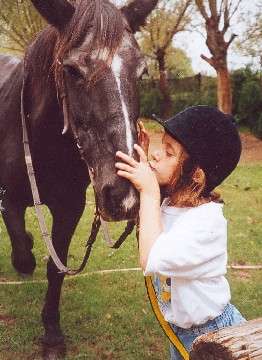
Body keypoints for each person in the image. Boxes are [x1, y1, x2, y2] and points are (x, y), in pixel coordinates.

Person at [115, 105, 246, 359]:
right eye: (160, 145)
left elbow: (151, 257)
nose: (155, 154)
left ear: (195, 176)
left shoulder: (207, 222)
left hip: (215, 335)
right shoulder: (169, 203)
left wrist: (150, 191)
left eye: (168, 152)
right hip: (179, 333)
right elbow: (141, 218)